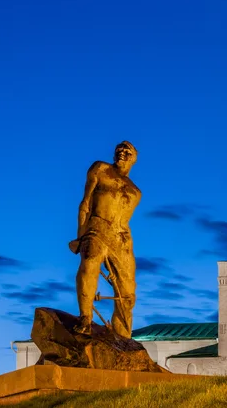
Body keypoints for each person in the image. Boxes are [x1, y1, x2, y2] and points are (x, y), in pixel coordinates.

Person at [69, 141, 141, 337]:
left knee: (127, 292)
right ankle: (85, 318)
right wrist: (80, 235)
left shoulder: (135, 192)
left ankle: (123, 336)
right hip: (98, 227)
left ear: (134, 158)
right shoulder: (100, 169)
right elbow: (85, 203)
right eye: (119, 150)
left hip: (122, 238)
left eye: (128, 152)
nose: (122, 154)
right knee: (90, 261)